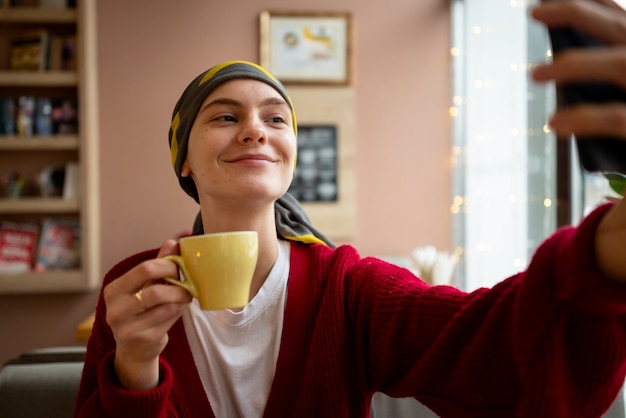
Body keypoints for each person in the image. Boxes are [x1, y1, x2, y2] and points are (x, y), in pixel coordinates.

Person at [74, 1, 626, 417]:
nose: (254, 132)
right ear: (184, 161)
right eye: (223, 117)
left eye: (275, 119)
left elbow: (498, 351)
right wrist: (136, 370)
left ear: (290, 154)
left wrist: (608, 249)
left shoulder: (348, 291)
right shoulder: (130, 291)